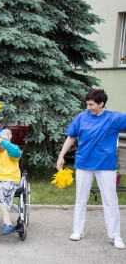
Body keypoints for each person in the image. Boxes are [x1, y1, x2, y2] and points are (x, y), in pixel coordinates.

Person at [57, 89, 126, 249]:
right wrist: (61, 156)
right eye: (87, 104)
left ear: (101, 104)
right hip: (84, 164)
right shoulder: (81, 118)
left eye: (91, 104)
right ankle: (77, 231)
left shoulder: (114, 118)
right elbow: (71, 137)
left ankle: (116, 236)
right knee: (81, 198)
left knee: (110, 200)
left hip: (105, 165)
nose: (88, 107)